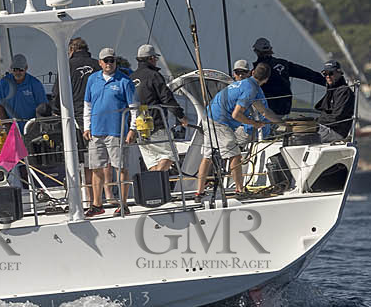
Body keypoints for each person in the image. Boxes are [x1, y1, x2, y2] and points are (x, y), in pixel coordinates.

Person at [196, 61, 283, 197]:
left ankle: (199, 192)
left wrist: (283, 122)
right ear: (266, 80)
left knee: (208, 156)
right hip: (220, 122)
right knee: (235, 156)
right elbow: (236, 114)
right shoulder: (251, 89)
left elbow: (264, 111)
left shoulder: (247, 84)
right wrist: (253, 123)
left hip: (208, 117)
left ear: (253, 72)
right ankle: (239, 190)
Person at [82, 47, 137, 216]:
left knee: (120, 167)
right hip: (96, 131)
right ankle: (97, 204)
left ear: (115, 62)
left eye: (111, 60)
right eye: (105, 61)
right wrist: (87, 126)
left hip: (117, 131)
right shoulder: (92, 79)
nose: (109, 64)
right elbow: (87, 105)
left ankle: (123, 203)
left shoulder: (125, 81)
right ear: (100, 63)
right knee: (96, 168)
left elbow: (134, 108)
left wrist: (133, 129)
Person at [128, 43, 186, 175]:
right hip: (156, 123)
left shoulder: (130, 78)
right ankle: (157, 182)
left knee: (153, 162)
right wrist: (181, 116)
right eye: (155, 58)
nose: (156, 61)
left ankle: (156, 192)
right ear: (151, 58)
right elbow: (167, 98)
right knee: (170, 155)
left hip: (139, 127)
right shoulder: (154, 75)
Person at [252, 37, 327, 119]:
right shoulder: (284, 64)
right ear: (271, 50)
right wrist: (326, 82)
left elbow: (248, 86)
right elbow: (306, 73)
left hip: (267, 109)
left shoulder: (257, 69)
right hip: (283, 109)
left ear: (256, 51)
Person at [0, 54, 47, 123]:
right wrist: (7, 126)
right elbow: (0, 106)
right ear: (11, 69)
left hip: (33, 126)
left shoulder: (35, 84)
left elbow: (43, 107)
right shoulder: (4, 83)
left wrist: (36, 126)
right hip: (12, 128)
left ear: (26, 68)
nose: (17, 72)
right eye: (15, 70)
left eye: (21, 70)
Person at [315, 60, 356, 141]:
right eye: (325, 74)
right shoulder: (332, 90)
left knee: (302, 134)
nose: (327, 76)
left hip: (337, 132)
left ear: (339, 73)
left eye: (330, 73)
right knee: (295, 131)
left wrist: (315, 123)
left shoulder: (344, 91)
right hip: (327, 128)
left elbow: (337, 117)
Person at [69, 37, 102, 109]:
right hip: (97, 109)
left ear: (72, 49)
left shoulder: (67, 66)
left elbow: (58, 92)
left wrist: (58, 111)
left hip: (76, 111)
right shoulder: (98, 65)